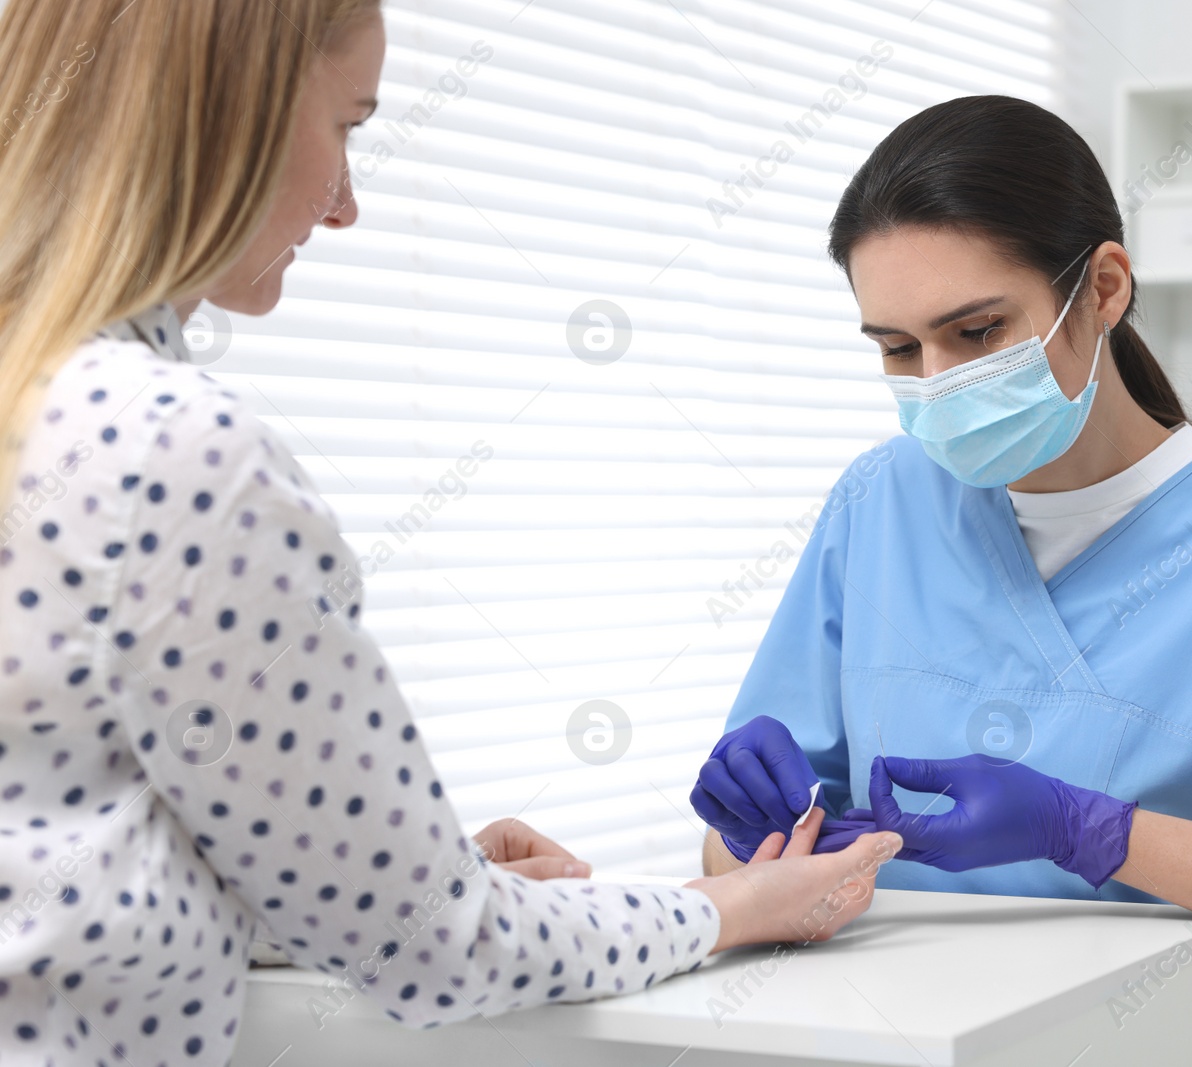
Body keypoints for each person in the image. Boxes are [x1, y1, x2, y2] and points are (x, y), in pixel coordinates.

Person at [0, 2, 902, 1064]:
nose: (345, 206)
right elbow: (437, 947)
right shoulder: (172, 452)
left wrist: (357, 870)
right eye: (345, 126)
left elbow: (65, 844)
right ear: (222, 110)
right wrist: (734, 905)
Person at [691, 95, 1192, 1067]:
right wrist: (747, 834)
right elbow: (746, 863)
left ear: (1104, 287)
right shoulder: (878, 502)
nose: (936, 381)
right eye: (898, 349)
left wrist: (1095, 832)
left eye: (977, 331)